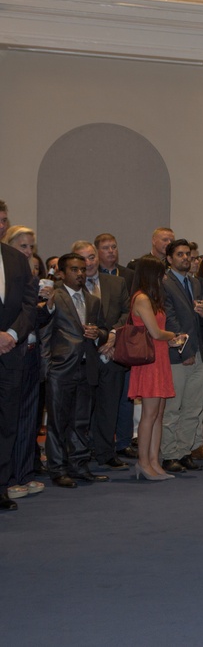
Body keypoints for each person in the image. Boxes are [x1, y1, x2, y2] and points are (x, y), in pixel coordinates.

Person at [38, 253, 110, 488]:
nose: (80, 273)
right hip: (60, 368)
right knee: (58, 422)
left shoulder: (93, 301)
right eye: (74, 269)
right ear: (61, 273)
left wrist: (97, 334)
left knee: (81, 421)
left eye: (82, 269)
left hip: (86, 366)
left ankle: (79, 465)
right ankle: (57, 469)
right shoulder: (54, 297)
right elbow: (44, 334)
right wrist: (47, 367)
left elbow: (103, 331)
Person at [69, 240, 132, 471]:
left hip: (112, 354)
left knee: (109, 407)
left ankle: (106, 453)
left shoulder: (117, 283)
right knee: (82, 410)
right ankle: (79, 455)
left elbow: (128, 313)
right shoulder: (69, 286)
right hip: (82, 357)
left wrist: (113, 335)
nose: (89, 262)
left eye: (92, 257)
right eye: (83, 258)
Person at [128, 257, 186, 480]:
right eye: (161, 274)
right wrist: (173, 336)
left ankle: (154, 460)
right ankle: (143, 462)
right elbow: (155, 332)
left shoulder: (151, 298)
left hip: (160, 358)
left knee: (158, 415)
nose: (164, 278)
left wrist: (168, 339)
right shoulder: (141, 298)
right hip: (150, 361)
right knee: (149, 415)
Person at [161, 238, 203, 473]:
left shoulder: (196, 283)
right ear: (170, 258)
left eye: (188, 255)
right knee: (173, 409)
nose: (186, 258)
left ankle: (184, 452)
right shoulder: (164, 282)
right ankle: (169, 454)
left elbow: (200, 317)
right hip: (178, 354)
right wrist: (184, 351)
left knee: (195, 407)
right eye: (180, 254)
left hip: (201, 352)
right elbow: (170, 318)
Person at [0, 206, 39, 511]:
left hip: (10, 352)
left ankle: (1, 486)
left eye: (3, 221)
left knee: (7, 422)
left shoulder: (16, 259)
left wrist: (11, 334)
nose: (1, 225)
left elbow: (29, 304)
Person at [94, 232, 136, 457]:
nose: (111, 251)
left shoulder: (128, 275)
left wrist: (114, 335)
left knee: (125, 396)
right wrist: (104, 337)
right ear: (97, 252)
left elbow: (130, 310)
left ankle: (124, 441)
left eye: (114, 247)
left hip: (123, 342)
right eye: (106, 248)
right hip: (97, 344)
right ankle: (99, 443)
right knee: (101, 398)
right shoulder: (91, 275)